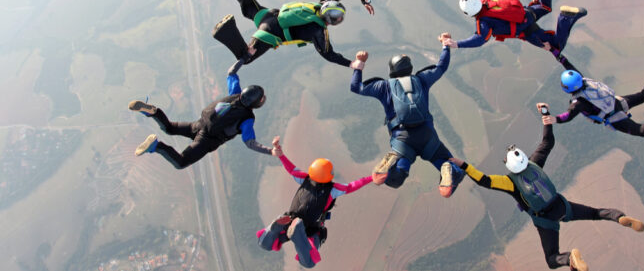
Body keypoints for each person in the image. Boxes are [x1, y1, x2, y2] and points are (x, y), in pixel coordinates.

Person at [450, 103, 644, 270]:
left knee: (552, 260)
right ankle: (619, 217)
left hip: (545, 220)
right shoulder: (535, 162)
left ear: (508, 165)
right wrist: (545, 113)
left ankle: (570, 258)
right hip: (562, 205)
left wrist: (463, 165)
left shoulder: (509, 182)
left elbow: (483, 180)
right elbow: (548, 141)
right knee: (596, 213)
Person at [349, 37, 465, 198]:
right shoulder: (422, 79)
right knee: (452, 167)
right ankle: (445, 166)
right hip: (427, 135)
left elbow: (356, 87)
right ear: (409, 67)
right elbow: (441, 67)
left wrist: (359, 64)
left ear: (392, 69)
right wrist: (446, 47)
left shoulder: (383, 86)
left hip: (402, 140)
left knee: (395, 180)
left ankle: (392, 162)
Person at [212, 0, 358, 73]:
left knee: (248, 6)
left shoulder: (319, 5)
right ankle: (226, 30)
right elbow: (329, 55)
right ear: (330, 20)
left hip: (270, 14)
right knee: (246, 57)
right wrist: (351, 64)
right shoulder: (318, 30)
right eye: (338, 19)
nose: (339, 21)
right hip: (271, 33)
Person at [257, 136, 373, 268]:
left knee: (264, 243)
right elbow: (352, 186)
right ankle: (298, 234)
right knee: (309, 262)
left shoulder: (304, 178)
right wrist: (371, 178)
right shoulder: (332, 189)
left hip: (289, 220)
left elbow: (291, 168)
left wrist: (281, 155)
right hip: (311, 229)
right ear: (329, 174)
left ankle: (275, 229)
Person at [130, 68, 269, 169]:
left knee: (170, 128)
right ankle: (157, 146)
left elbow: (231, 73)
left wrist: (244, 57)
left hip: (199, 125)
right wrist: (271, 151)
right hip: (207, 140)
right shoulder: (247, 119)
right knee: (180, 162)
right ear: (256, 103)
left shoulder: (235, 93)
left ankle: (153, 112)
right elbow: (250, 143)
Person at [436, 0, 586, 57]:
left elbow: (479, 40)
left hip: (527, 30)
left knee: (556, 46)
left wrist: (456, 44)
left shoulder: (483, 23)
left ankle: (565, 18)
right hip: (525, 12)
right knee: (544, 7)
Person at [554, 54, 644, 136]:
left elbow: (568, 116)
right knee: (643, 96)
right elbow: (569, 67)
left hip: (613, 116)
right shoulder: (581, 79)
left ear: (567, 89)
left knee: (641, 131)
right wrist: (558, 56)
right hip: (617, 102)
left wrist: (554, 119)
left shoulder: (578, 103)